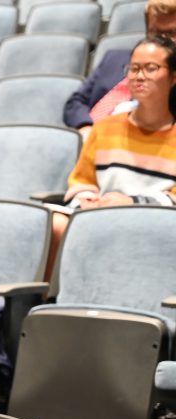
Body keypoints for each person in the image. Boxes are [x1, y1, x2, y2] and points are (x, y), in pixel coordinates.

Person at [52, 35, 176, 275]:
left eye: (151, 68)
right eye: (134, 68)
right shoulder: (104, 127)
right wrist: (87, 200)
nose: (140, 76)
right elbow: (82, 181)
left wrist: (132, 203)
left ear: (173, 77)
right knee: (56, 223)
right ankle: (52, 302)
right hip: (101, 217)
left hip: (156, 224)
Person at [64, 0, 176, 137]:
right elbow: (76, 102)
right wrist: (85, 126)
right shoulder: (113, 58)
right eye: (156, 33)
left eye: (172, 33)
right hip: (90, 140)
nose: (163, 41)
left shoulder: (170, 78)